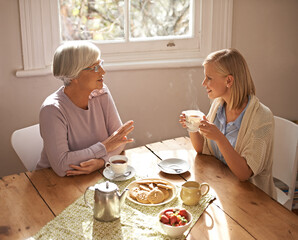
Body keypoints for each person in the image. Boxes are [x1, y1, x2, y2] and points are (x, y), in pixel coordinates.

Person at [179, 48, 276, 199]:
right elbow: (202, 149)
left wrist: (219, 138)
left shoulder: (262, 118)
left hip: (253, 199)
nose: (204, 83)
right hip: (221, 188)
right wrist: (192, 126)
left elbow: (244, 174)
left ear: (229, 80)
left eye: (209, 78)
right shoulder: (219, 105)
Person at [36, 41, 134, 177]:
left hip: (91, 176)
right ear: (73, 75)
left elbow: (119, 141)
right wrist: (105, 147)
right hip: (51, 183)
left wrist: (100, 162)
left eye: (101, 64)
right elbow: (61, 165)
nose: (103, 71)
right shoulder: (52, 110)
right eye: (95, 67)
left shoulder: (101, 93)